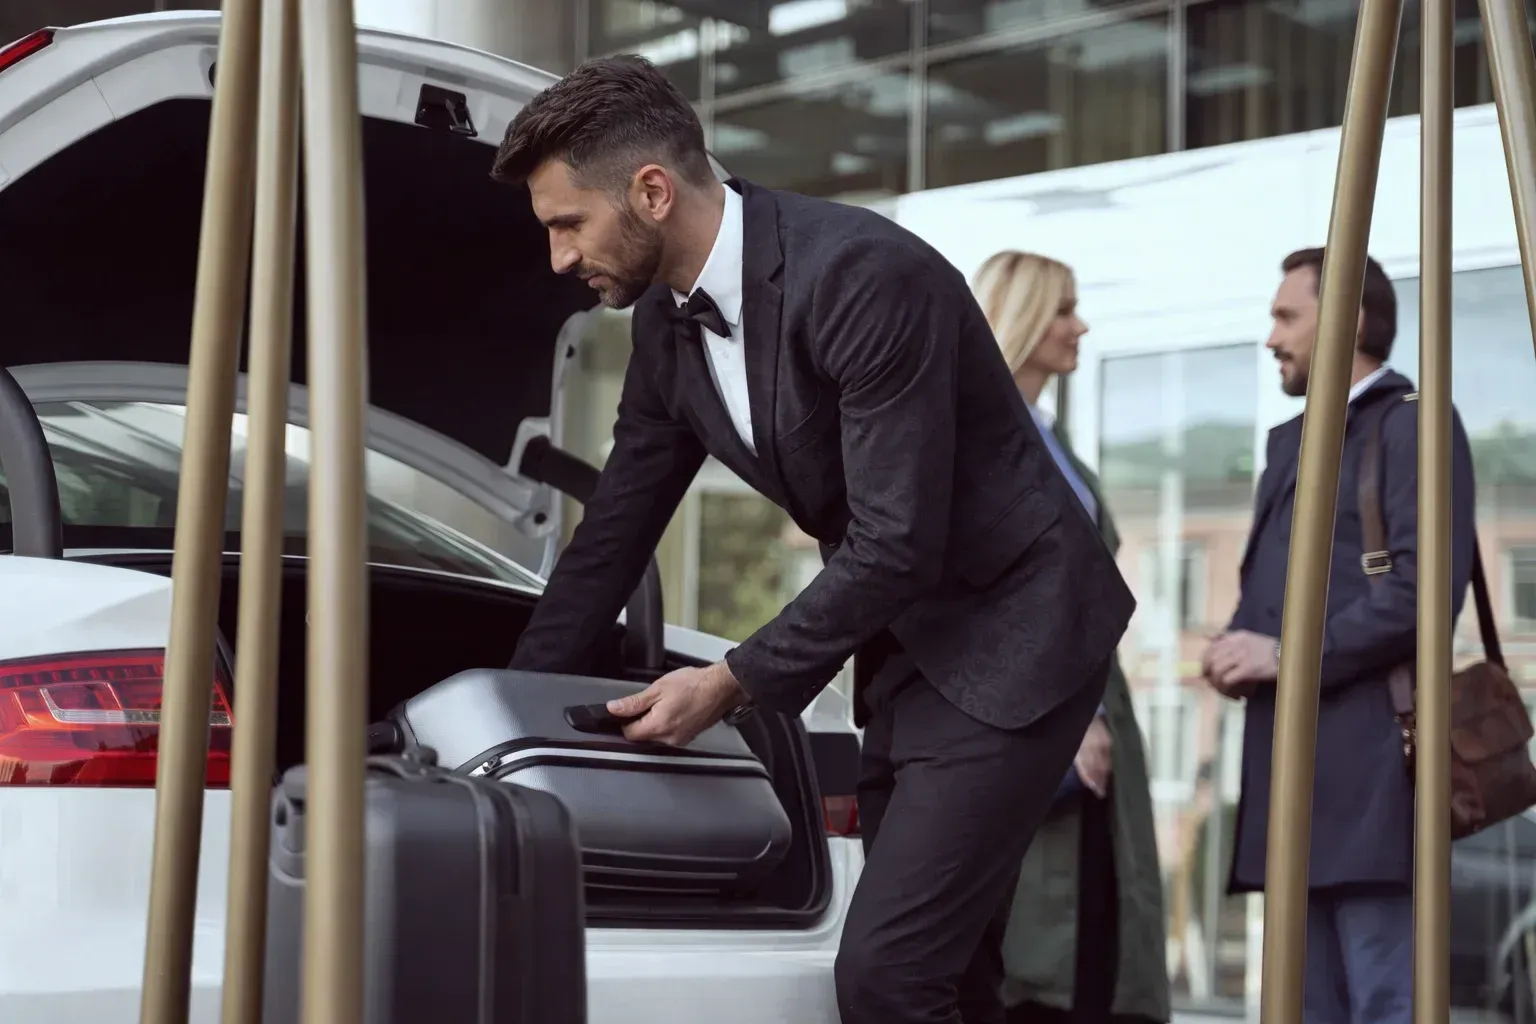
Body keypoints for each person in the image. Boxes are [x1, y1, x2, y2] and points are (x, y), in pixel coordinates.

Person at [491, 55, 1136, 1024]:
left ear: (652, 191)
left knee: (886, 976)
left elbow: (895, 540)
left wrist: (728, 681)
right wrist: (505, 718)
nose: (557, 258)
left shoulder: (866, 276)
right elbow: (608, 544)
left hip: (1017, 636)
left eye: (566, 224)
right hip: (905, 651)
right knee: (954, 979)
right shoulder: (669, 332)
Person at [1202, 247, 1476, 1023]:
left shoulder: (1413, 424)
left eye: (1287, 316)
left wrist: (1282, 655)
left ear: (1349, 318)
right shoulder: (1289, 443)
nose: (1271, 338)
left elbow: (1426, 594)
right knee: (1301, 1006)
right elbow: (1284, 594)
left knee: (1386, 1001)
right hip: (1292, 776)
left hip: (1373, 782)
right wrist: (1235, 646)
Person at [971, 251, 1169, 1024]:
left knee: (1097, 933)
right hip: (1044, 717)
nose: (1079, 325)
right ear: (1022, 317)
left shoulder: (1052, 443)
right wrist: (1075, 720)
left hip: (1093, 713)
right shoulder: (988, 441)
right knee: (1041, 945)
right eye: (1063, 309)